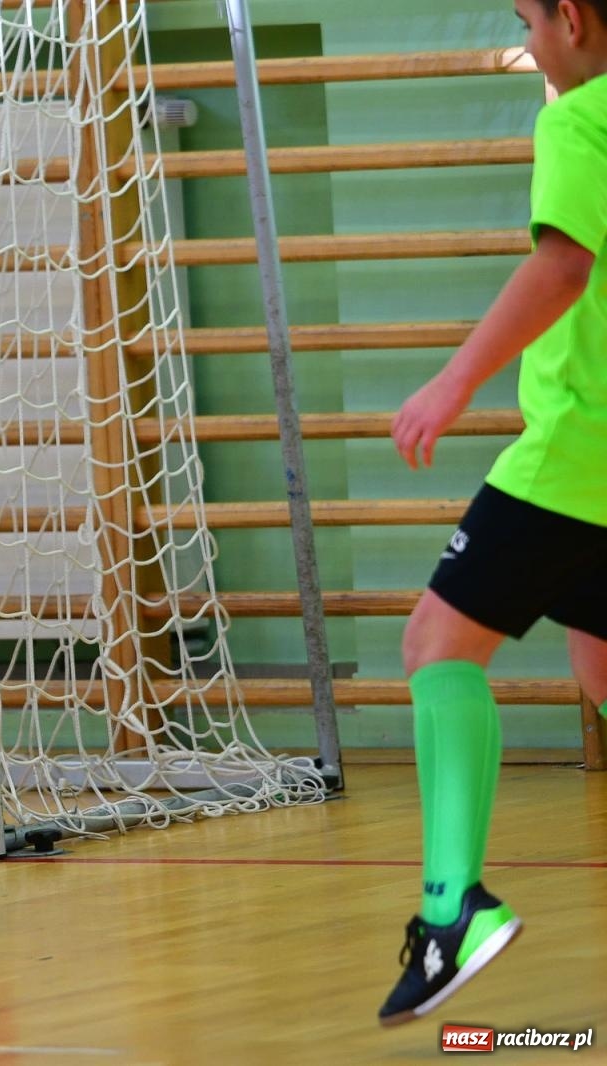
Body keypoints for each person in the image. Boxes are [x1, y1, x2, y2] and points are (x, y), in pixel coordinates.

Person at [381, 0, 607, 1026]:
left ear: (570, 19)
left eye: (526, 18)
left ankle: (449, 911)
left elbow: (562, 262)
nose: (527, 43)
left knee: (435, 644)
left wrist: (452, 383)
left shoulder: (577, 115)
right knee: (599, 664)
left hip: (575, 458)